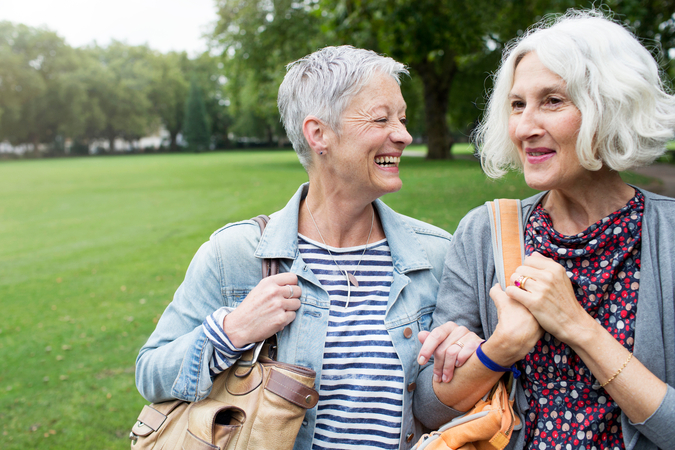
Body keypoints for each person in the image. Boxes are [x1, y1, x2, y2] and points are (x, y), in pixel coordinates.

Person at [135, 45, 461, 450]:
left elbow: (445, 403)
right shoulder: (235, 253)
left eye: (403, 118)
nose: (404, 135)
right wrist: (231, 332)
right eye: (381, 118)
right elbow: (150, 373)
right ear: (318, 133)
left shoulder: (436, 253)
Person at [414, 10, 675, 450]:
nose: (523, 127)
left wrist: (578, 326)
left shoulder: (667, 237)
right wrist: (497, 349)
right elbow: (428, 406)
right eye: (517, 105)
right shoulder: (484, 233)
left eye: (552, 101)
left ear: (610, 106)